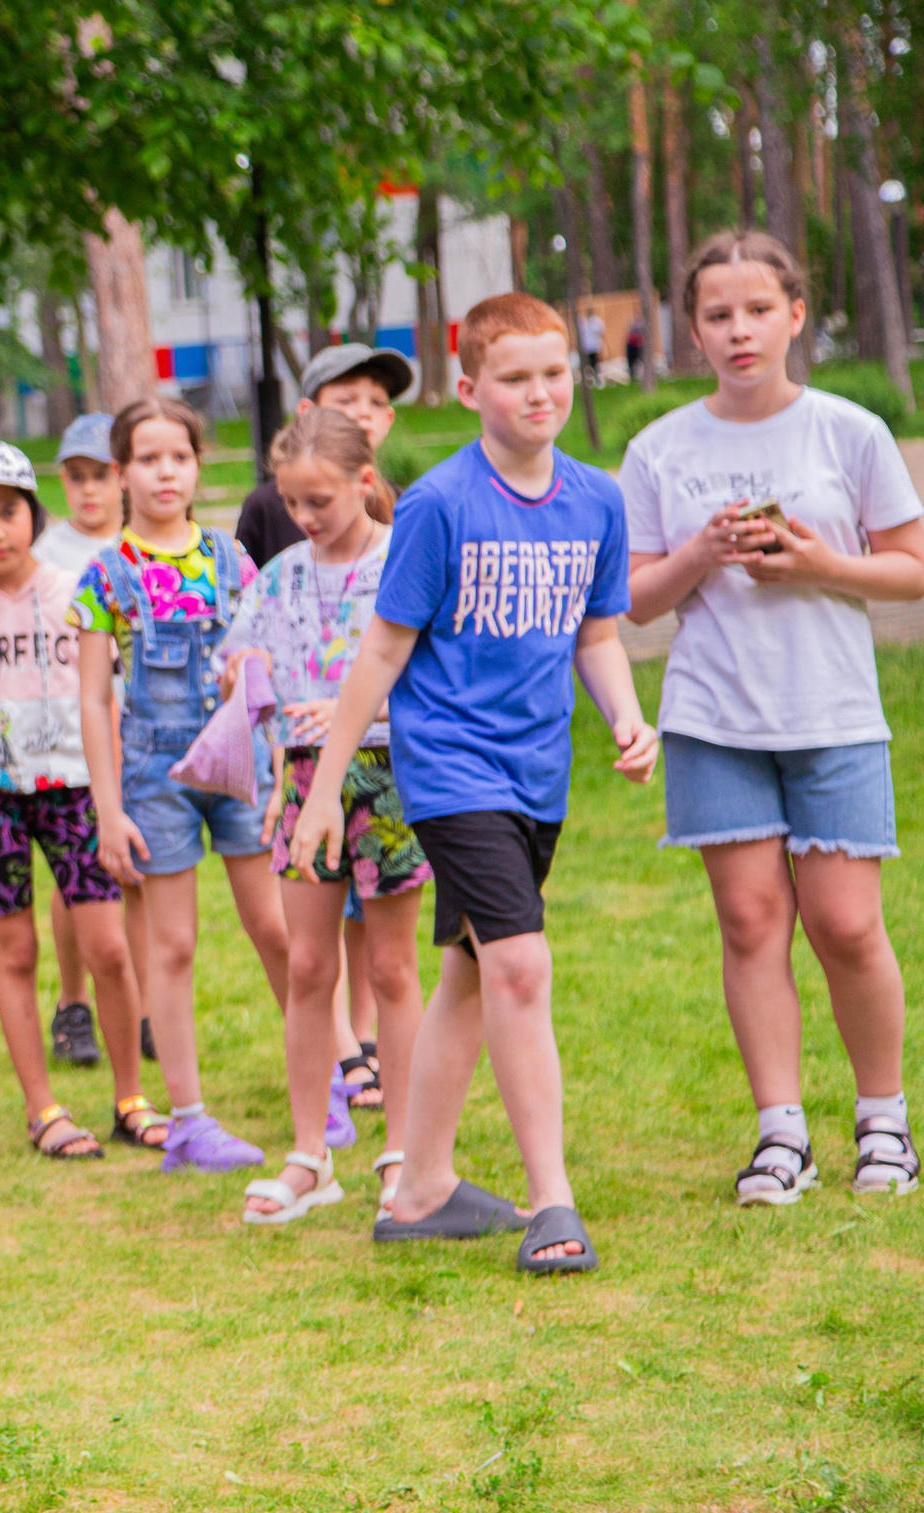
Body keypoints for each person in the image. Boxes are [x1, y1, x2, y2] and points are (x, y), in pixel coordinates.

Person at [292, 292, 659, 1276]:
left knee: (466, 969)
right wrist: (324, 789)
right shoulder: (439, 505)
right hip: (451, 769)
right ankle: (552, 1203)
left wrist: (625, 714)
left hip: (537, 774)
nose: (538, 392)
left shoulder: (595, 499)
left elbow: (596, 636)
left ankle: (420, 1190)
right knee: (520, 965)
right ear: (468, 390)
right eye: (513, 377)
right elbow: (379, 653)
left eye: (553, 373)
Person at [620, 231, 924, 1206]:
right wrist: (703, 551)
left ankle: (884, 1121)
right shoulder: (658, 448)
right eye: (717, 314)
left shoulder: (848, 431)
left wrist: (817, 564)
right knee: (749, 922)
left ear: (795, 314)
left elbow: (910, 568)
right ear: (692, 329)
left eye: (757, 309)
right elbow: (634, 600)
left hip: (831, 711)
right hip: (713, 715)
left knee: (843, 924)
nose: (738, 329)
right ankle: (778, 1134)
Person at [220, 409, 427, 1226]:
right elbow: (241, 661)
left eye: (321, 501)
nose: (305, 518)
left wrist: (354, 716)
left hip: (388, 779)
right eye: (293, 502)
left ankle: (404, 1152)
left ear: (365, 482)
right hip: (306, 786)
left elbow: (425, 676)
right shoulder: (280, 575)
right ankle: (311, 1153)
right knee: (309, 966)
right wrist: (249, 673)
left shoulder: (401, 565)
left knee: (392, 969)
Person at [73, 397, 290, 1167]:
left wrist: (279, 772)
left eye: (179, 456)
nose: (165, 472)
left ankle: (323, 1085)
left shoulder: (234, 562)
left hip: (242, 770)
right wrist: (107, 811)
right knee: (171, 944)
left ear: (199, 466)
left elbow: (265, 672)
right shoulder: (105, 574)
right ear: (123, 472)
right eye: (147, 458)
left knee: (277, 928)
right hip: (152, 778)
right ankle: (191, 1121)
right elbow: (95, 700)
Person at [0, 441, 145, 1161]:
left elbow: (104, 700)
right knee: (14, 950)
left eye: (8, 513)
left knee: (109, 947)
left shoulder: (75, 590)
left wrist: (115, 798)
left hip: (78, 791)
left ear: (32, 513)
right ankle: (42, 1108)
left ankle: (131, 1098)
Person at [35, 411, 142, 1069]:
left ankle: (145, 1004)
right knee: (76, 870)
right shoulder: (48, 555)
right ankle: (73, 1003)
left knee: (140, 871)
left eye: (100, 474)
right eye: (76, 477)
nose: (89, 490)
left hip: (142, 729)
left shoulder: (138, 547)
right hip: (74, 731)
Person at [230, 343, 414, 568]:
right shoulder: (266, 508)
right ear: (307, 412)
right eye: (346, 400)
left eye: (377, 402)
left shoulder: (403, 504)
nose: (365, 413)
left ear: (388, 419)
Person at [578, 306, 606, 387]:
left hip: (595, 347)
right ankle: (590, 380)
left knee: (596, 364)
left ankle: (598, 379)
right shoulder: (584, 322)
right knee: (588, 364)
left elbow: (601, 332)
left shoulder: (596, 321)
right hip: (586, 347)